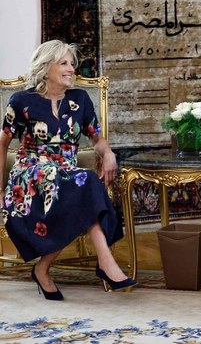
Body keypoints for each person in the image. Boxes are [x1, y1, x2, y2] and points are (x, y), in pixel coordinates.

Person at [0, 40, 136, 300]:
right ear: (45, 67)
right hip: (30, 174)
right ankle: (105, 263)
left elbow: (97, 138)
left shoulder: (80, 99)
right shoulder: (21, 101)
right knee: (85, 183)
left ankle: (44, 268)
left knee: (81, 186)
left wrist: (107, 153)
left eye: (72, 64)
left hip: (66, 173)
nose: (71, 69)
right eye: (64, 63)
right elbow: (2, 143)